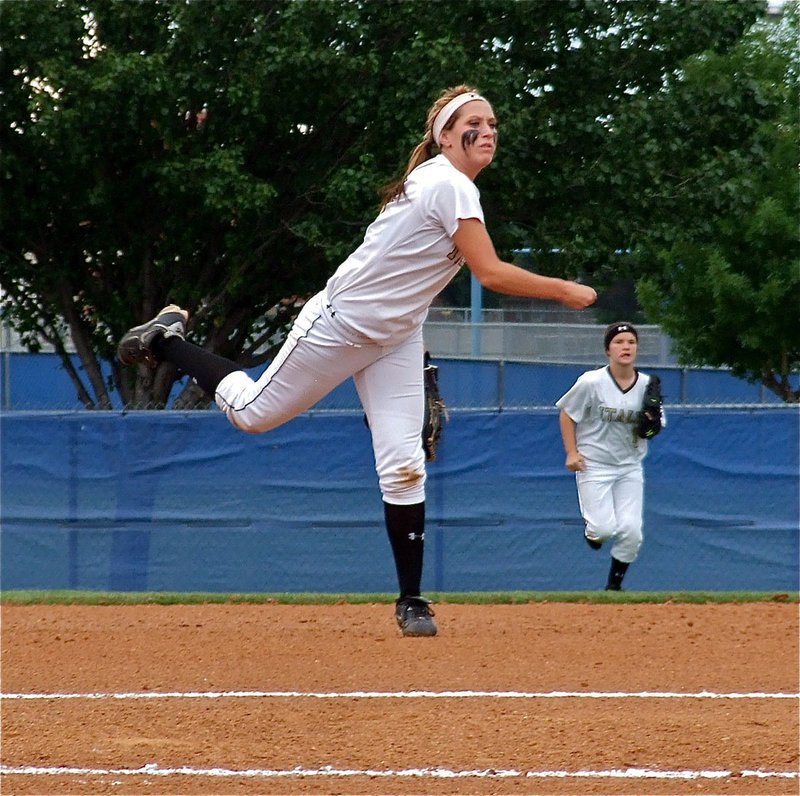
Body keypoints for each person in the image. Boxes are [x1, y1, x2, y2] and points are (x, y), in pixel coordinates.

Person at [118, 84, 598, 635]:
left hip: (394, 337)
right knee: (251, 413)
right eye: (473, 122)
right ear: (444, 136)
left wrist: (418, 352)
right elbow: (488, 272)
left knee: (403, 464)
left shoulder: (445, 184)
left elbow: (410, 281)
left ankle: (412, 601)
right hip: (339, 327)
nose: (488, 130)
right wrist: (562, 289)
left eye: (492, 122)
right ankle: (166, 342)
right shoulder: (447, 182)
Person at [555, 322, 665, 591]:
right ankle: (594, 534)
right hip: (594, 464)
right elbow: (568, 413)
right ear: (608, 350)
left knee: (632, 531)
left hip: (630, 465)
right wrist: (571, 452)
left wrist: (652, 425)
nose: (625, 346)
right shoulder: (592, 382)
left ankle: (613, 588)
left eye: (631, 342)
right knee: (603, 530)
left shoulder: (648, 385)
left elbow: (655, 427)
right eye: (619, 342)